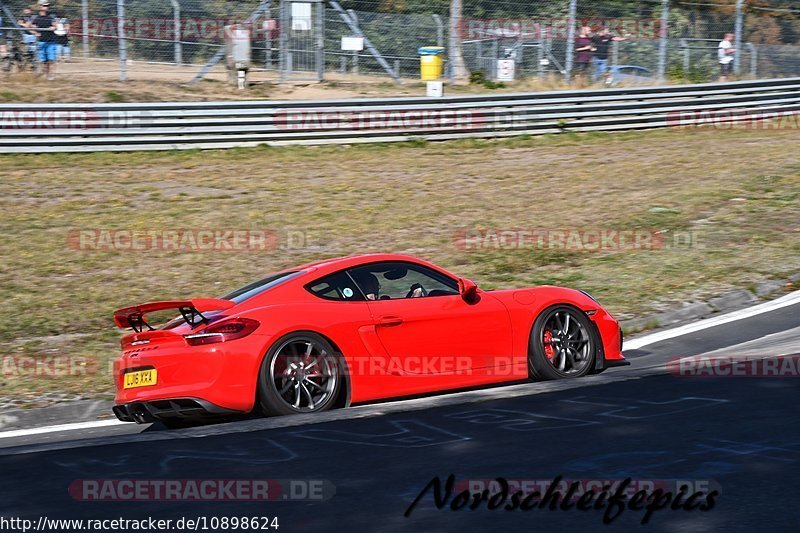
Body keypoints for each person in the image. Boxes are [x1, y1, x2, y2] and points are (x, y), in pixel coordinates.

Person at [31, 0, 58, 79]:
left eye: (47, 6)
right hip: (41, 42)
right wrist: (35, 33)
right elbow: (29, 27)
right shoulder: (36, 18)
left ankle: (51, 76)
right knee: (44, 61)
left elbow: (55, 25)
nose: (46, 7)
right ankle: (47, 76)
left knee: (52, 60)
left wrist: (54, 27)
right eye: (44, 5)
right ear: (40, 6)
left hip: (51, 41)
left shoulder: (51, 16)